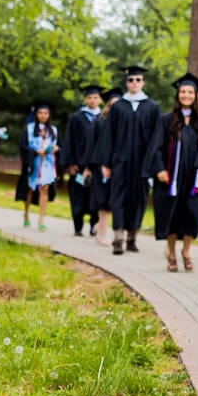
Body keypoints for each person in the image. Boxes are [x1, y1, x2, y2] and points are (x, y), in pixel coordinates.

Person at [144, 74, 198, 272]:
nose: (186, 95)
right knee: (171, 215)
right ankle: (170, 252)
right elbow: (156, 147)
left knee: (192, 215)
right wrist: (160, 169)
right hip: (171, 178)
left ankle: (186, 251)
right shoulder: (166, 120)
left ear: (195, 95)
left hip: (194, 179)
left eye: (190, 92)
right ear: (178, 95)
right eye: (183, 92)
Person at [99, 66, 160, 255]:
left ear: (143, 82)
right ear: (126, 82)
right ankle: (118, 238)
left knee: (139, 199)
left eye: (138, 80)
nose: (134, 83)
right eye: (131, 80)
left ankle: (132, 237)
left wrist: (152, 164)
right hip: (120, 161)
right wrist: (106, 162)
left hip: (143, 163)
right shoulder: (118, 106)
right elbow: (108, 136)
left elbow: (156, 139)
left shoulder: (152, 107)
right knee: (118, 198)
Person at [59, 85, 104, 237]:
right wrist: (70, 163)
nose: (92, 100)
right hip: (78, 166)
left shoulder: (103, 118)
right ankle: (77, 226)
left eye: (95, 97)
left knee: (95, 196)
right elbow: (69, 141)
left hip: (95, 166)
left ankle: (94, 225)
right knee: (77, 197)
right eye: (90, 97)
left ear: (100, 99)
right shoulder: (76, 118)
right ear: (85, 99)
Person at [85, 89, 122, 247]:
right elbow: (91, 146)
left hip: (119, 166)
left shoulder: (125, 125)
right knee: (104, 200)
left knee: (116, 200)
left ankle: (110, 231)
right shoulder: (100, 123)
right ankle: (102, 231)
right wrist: (88, 167)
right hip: (101, 166)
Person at [16, 102, 58, 231]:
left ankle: (41, 219)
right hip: (33, 163)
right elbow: (23, 145)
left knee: (44, 189)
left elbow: (57, 144)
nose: (43, 115)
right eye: (40, 113)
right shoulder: (29, 128)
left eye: (45, 113)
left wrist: (55, 148)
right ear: (36, 114)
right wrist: (34, 151)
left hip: (47, 163)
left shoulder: (53, 130)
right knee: (30, 189)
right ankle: (26, 214)